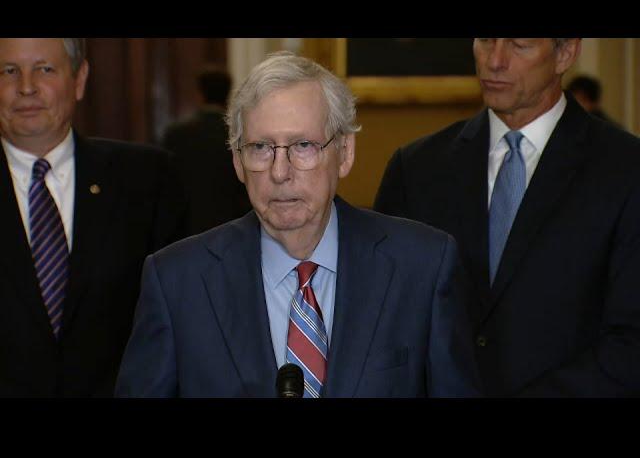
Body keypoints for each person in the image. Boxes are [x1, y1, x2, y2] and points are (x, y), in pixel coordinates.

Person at [115, 51, 481, 398]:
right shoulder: (177, 282)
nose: (280, 172)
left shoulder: (422, 267)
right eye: (260, 148)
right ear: (238, 162)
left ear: (345, 153)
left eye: (303, 145)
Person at [375, 38, 640, 397]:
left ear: (565, 53)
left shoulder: (625, 170)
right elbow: (384, 326)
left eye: (519, 45)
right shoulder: (416, 169)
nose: (494, 61)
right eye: (485, 40)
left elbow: (629, 343)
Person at [0, 38, 188, 397]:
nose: (26, 87)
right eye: (9, 71)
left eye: (45, 69)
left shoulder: (149, 180)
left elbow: (180, 324)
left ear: (80, 78)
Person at [163, 65, 251, 234]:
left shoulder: (177, 135)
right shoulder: (240, 133)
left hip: (186, 230)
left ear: (199, 94)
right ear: (228, 93)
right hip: (233, 228)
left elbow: (169, 188)